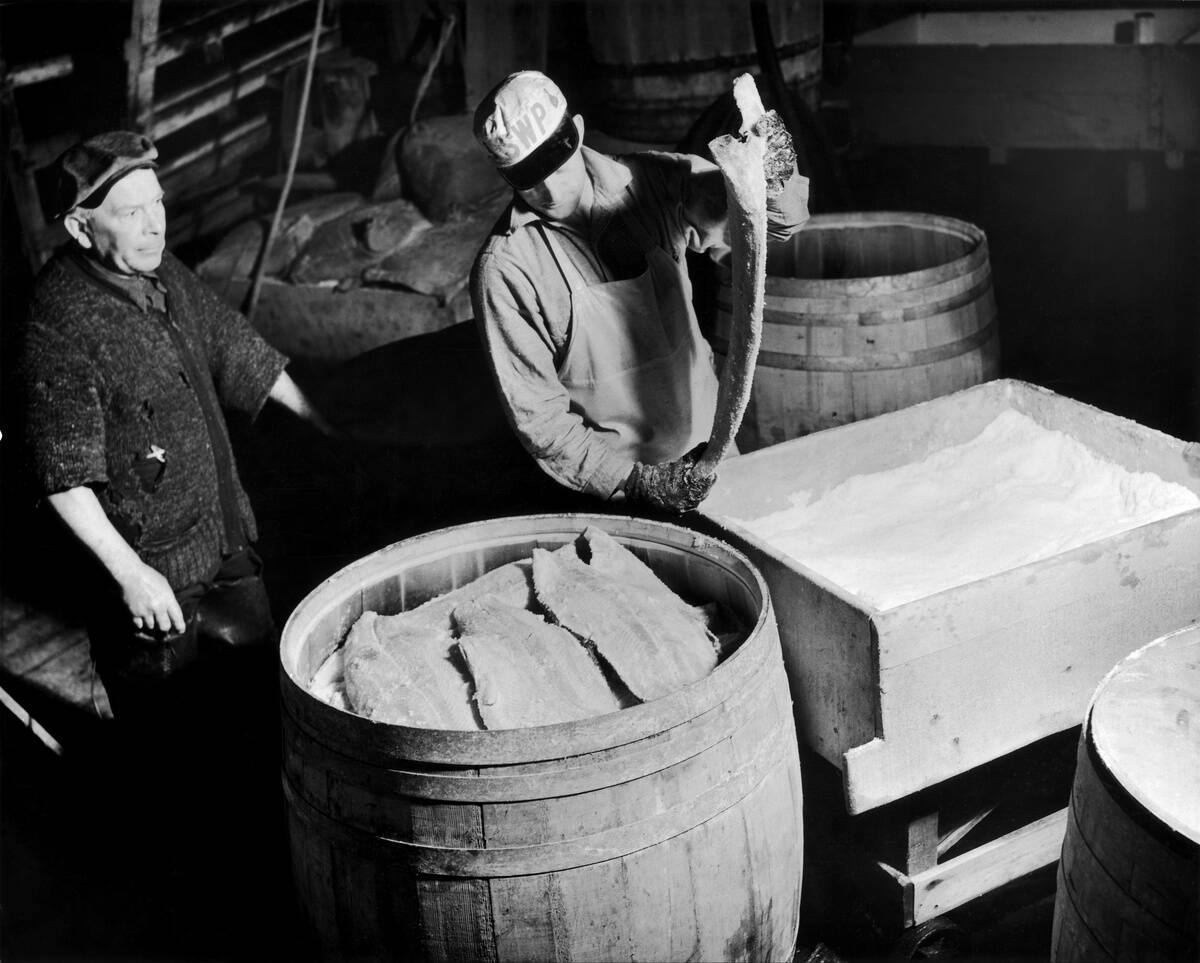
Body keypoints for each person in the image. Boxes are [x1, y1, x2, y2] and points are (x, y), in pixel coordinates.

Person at [15, 130, 325, 951]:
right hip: (156, 591)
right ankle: (209, 925)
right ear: (83, 228)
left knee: (264, 734)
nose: (154, 225)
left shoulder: (161, 274)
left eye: (158, 205)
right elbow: (62, 475)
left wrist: (322, 426)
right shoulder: (57, 323)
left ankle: (278, 898)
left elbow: (238, 350)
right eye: (131, 212)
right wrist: (128, 575)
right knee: (184, 776)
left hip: (226, 547)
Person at [470, 70, 809, 513]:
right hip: (617, 494)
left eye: (557, 158)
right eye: (528, 176)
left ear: (578, 130)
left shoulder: (651, 182)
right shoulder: (507, 270)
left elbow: (774, 224)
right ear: (504, 176)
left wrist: (773, 174)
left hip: (714, 457)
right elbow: (542, 422)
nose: (550, 188)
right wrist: (636, 483)